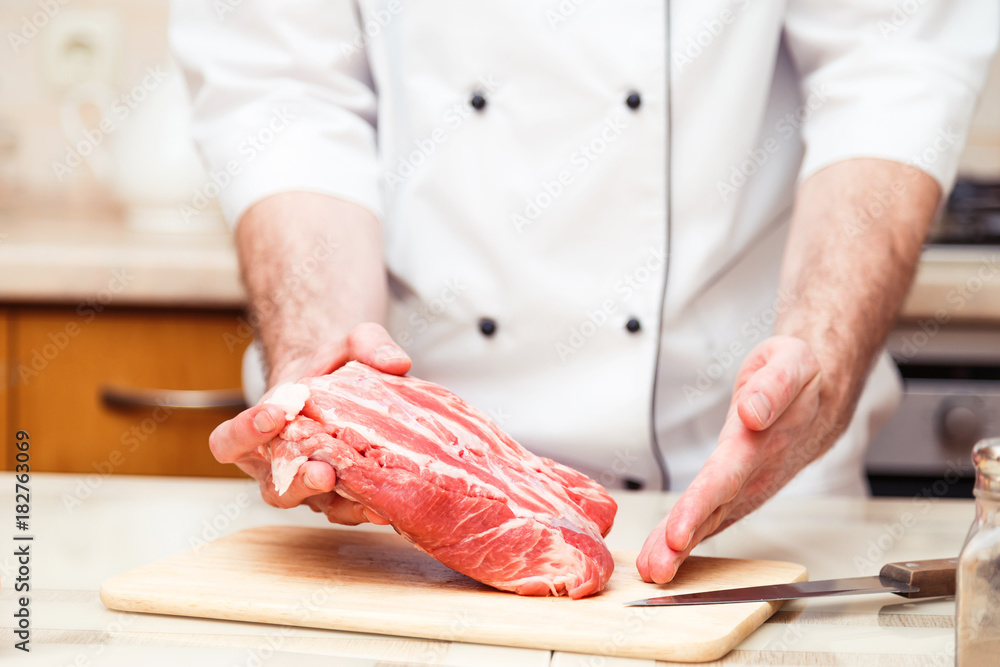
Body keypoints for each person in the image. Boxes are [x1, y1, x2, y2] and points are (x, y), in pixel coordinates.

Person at [170, 1, 998, 584]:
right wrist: (332, 380)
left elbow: (893, 59)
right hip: (398, 525)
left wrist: (825, 343)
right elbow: (282, 88)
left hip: (749, 496)